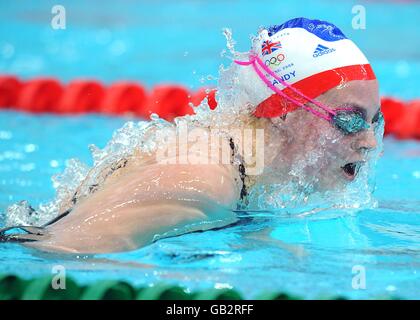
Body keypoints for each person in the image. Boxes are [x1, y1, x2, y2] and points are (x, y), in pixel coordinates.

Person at [0, 17, 383, 254]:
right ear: (283, 113)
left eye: (375, 121)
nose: (367, 141)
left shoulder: (248, 167)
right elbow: (60, 254)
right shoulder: (201, 180)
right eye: (349, 120)